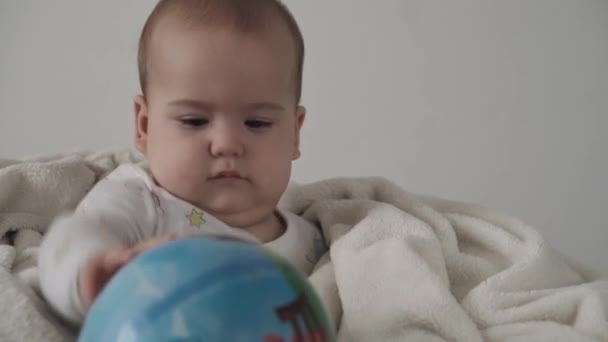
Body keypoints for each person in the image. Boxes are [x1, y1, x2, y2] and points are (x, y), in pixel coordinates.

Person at [38, 0, 326, 325]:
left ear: (294, 135)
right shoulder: (142, 201)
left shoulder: (318, 240)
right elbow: (71, 237)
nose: (226, 144)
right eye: (194, 121)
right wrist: (92, 269)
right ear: (144, 126)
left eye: (257, 123)